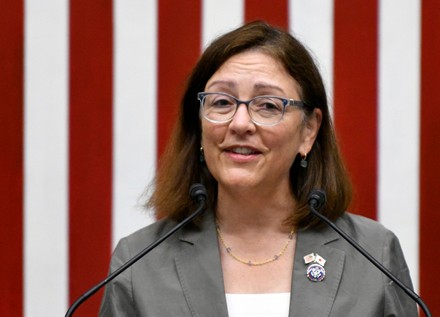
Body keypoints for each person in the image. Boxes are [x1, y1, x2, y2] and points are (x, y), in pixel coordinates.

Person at [99, 21, 417, 316]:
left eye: (267, 106)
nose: (240, 124)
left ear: (308, 131)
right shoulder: (140, 263)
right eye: (221, 102)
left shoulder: (372, 255)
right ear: (198, 125)